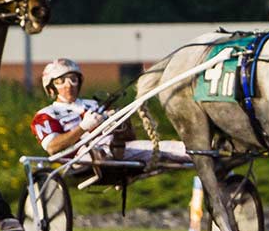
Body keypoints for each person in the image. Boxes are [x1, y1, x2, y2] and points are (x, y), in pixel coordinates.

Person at [31, 58, 188, 164]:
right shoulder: (46, 115)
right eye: (61, 81)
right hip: (80, 158)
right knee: (98, 153)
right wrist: (83, 128)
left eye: (73, 79)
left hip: (116, 149)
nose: (68, 85)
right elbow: (52, 147)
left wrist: (118, 123)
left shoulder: (93, 104)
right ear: (51, 87)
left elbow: (129, 138)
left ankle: (206, 153)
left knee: (174, 148)